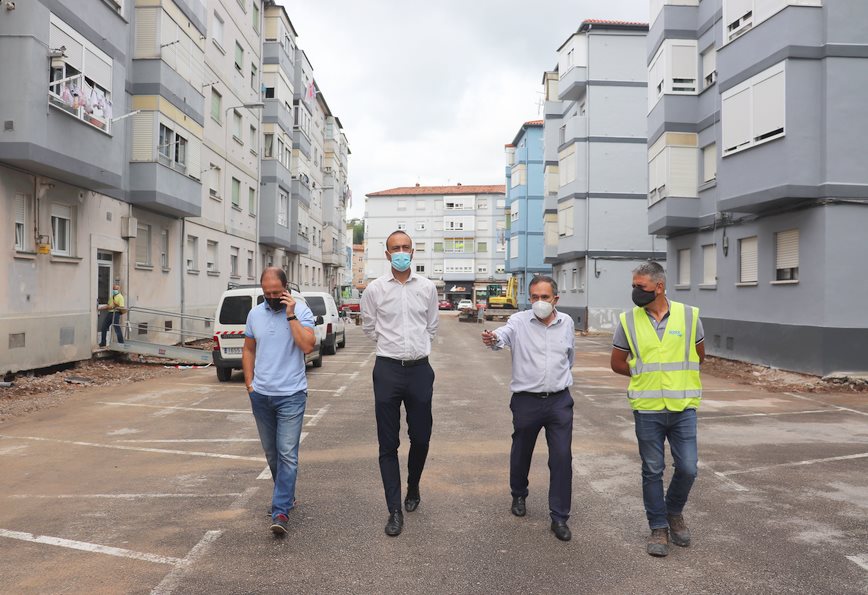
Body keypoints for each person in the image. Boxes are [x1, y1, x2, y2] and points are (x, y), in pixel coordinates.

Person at [610, 261, 704, 557]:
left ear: (659, 287)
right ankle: (659, 528)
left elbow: (699, 356)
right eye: (634, 286)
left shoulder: (690, 317)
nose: (635, 291)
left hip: (683, 407)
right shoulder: (628, 320)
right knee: (652, 470)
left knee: (688, 468)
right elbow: (617, 362)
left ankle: (673, 511)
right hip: (648, 408)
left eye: (641, 287)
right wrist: (643, 374)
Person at [481, 275, 575, 542]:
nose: (539, 302)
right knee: (522, 450)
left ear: (555, 299)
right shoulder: (519, 321)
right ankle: (518, 494)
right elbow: (501, 336)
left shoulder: (566, 322)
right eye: (534, 297)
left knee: (561, 457)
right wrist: (492, 338)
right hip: (526, 400)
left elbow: (570, 358)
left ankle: (559, 517)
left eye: (545, 297)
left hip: (559, 400)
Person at [361, 230, 438, 537]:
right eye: (396, 248)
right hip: (387, 370)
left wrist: (416, 348)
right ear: (387, 254)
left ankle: (414, 484)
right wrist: (392, 348)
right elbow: (369, 327)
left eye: (406, 247)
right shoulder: (375, 290)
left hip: (420, 370)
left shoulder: (428, 287)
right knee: (388, 444)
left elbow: (431, 326)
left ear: (413, 252)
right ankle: (394, 509)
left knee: (420, 438)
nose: (401, 251)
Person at [242, 267, 316, 536]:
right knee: (272, 454)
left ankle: (281, 509)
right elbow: (249, 348)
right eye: (267, 293)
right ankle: (287, 496)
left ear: (286, 288)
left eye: (276, 292)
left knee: (287, 453)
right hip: (261, 395)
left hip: (291, 395)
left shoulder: (302, 311)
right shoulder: (254, 314)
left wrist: (291, 314)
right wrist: (249, 383)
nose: (271, 297)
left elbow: (308, 346)